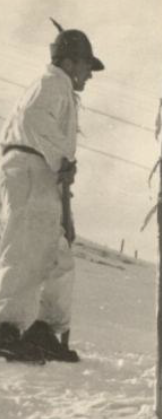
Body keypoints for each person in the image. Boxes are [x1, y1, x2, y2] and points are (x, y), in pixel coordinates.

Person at [0, 25, 103, 362]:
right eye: (88, 66)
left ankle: (44, 329)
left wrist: (60, 169)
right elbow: (33, 118)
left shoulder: (60, 89)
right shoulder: (51, 84)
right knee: (27, 246)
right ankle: (5, 326)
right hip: (30, 169)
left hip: (43, 173)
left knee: (58, 253)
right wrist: (61, 160)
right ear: (71, 62)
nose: (89, 75)